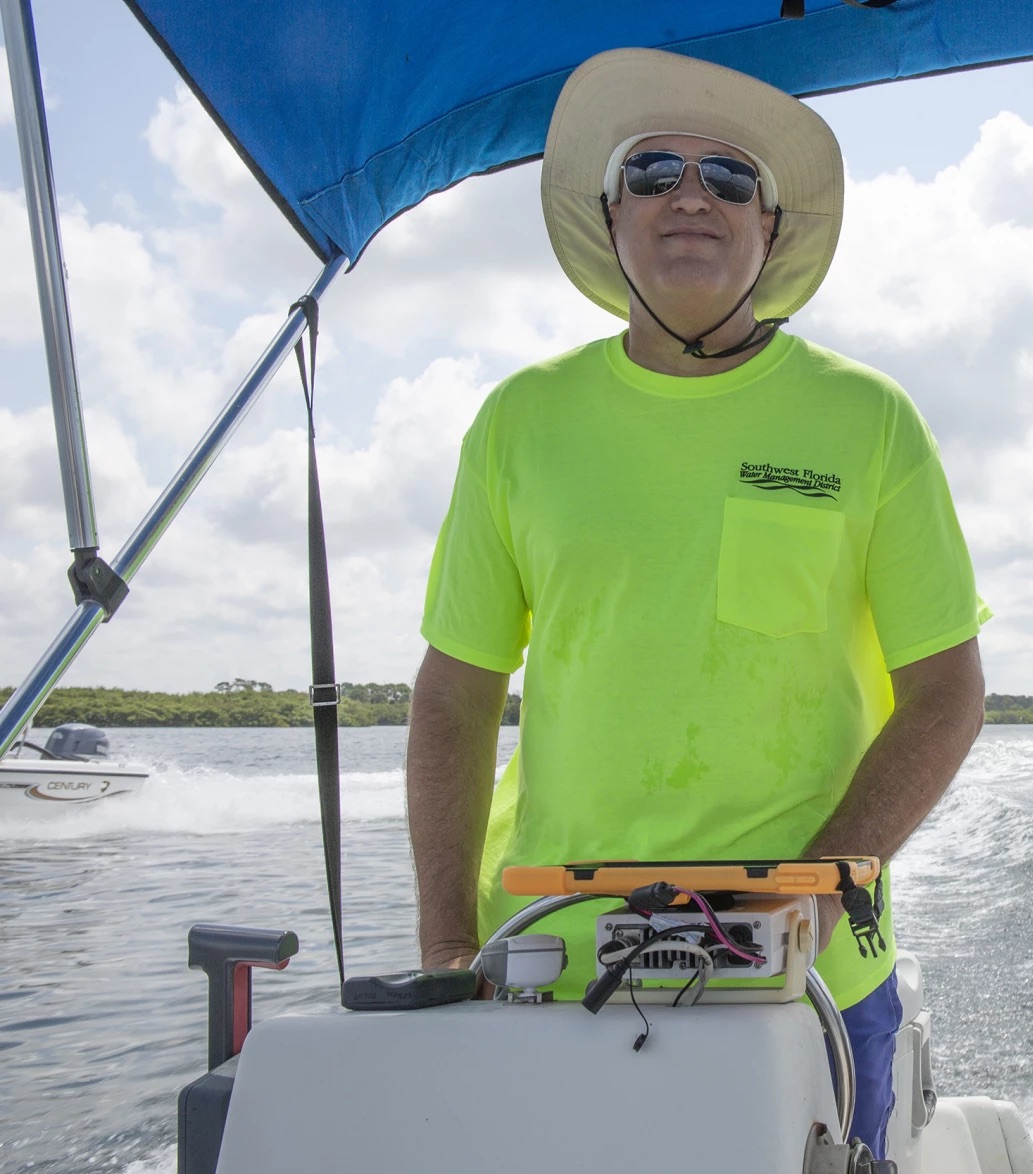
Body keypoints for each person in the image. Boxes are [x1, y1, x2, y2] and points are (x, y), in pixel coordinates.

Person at [405, 48, 989, 1158]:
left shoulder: (870, 421)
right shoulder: (518, 423)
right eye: (654, 168)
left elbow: (945, 695)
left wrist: (813, 898)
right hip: (546, 956)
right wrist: (445, 940)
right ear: (610, 213)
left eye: (729, 179)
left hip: (809, 966)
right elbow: (455, 693)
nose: (690, 194)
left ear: (768, 229)